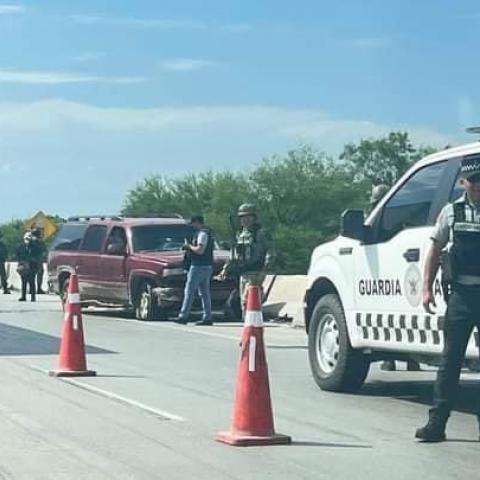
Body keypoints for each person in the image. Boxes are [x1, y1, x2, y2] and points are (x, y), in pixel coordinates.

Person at [416, 154, 480, 442]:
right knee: (450, 360)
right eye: (474, 181)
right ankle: (437, 423)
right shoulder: (451, 211)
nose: (479, 186)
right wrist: (426, 288)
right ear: (464, 182)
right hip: (462, 296)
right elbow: (435, 249)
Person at [220, 203, 275, 312]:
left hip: (256, 272)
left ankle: (253, 324)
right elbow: (234, 254)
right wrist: (225, 270)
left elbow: (271, 252)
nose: (245, 220)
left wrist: (264, 271)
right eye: (242, 217)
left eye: (248, 217)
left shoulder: (261, 233)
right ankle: (248, 324)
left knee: (248, 299)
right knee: (244, 303)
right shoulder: (241, 234)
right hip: (243, 272)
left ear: (254, 218)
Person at [174, 215, 215, 326]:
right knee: (204, 293)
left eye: (193, 223)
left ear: (197, 222)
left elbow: (200, 250)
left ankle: (183, 316)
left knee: (189, 291)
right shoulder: (206, 233)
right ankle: (207, 316)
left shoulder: (202, 234)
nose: (191, 225)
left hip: (198, 266)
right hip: (207, 266)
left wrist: (189, 246)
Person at [16, 232, 42, 302]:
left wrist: (35, 264)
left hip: (32, 267)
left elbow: (38, 256)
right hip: (23, 266)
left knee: (32, 282)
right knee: (23, 282)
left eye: (29, 239)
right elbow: (18, 256)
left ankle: (33, 297)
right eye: (26, 239)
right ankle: (23, 296)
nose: (27, 240)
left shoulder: (35, 247)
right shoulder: (20, 247)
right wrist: (21, 264)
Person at [31, 227, 47, 294]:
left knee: (32, 275)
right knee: (39, 274)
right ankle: (38, 289)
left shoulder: (29, 240)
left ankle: (32, 289)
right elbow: (44, 250)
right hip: (38, 259)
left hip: (30, 260)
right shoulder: (39, 241)